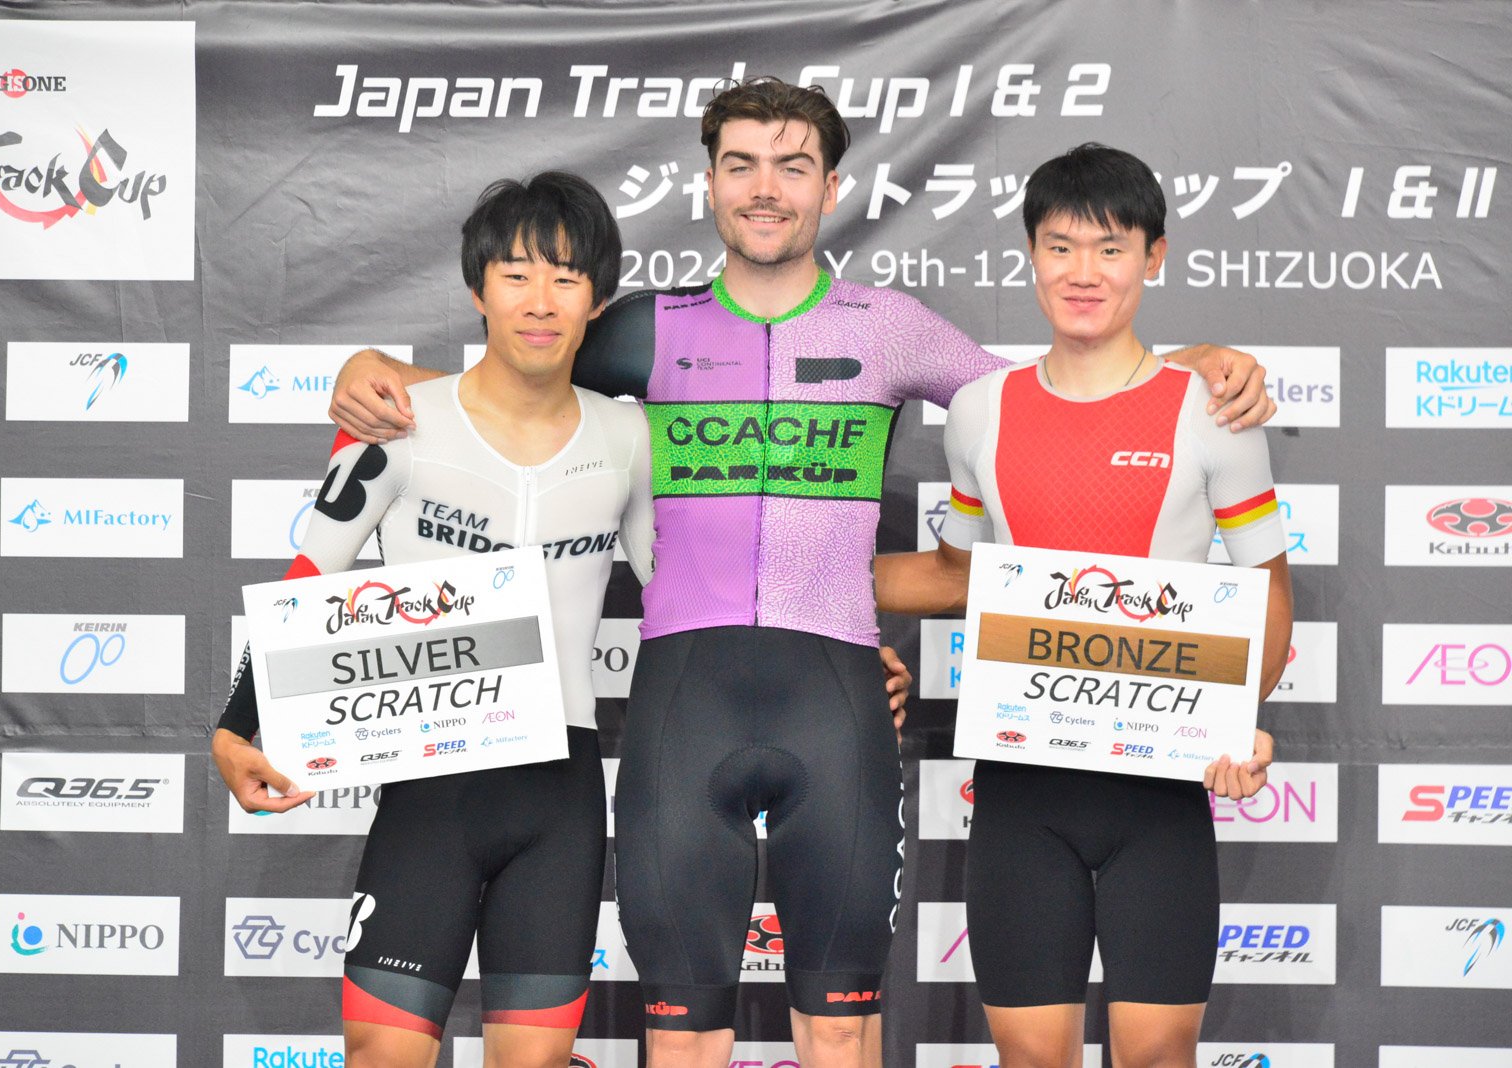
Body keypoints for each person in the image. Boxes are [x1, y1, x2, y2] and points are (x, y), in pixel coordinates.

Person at [325, 80, 1276, 1068]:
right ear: (709, 185)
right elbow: (511, 375)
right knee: (680, 1035)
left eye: (792, 166)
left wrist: (1192, 363)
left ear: (831, 188)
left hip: (837, 702)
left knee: (840, 1028)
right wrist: (369, 371)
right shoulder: (648, 328)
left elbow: (1063, 396)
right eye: (741, 165)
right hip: (683, 704)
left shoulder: (889, 327)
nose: (765, 188)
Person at [210, 171, 655, 1068]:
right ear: (477, 289)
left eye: (566, 277)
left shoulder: (631, 438)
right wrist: (233, 728)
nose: (540, 300)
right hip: (431, 793)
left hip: (559, 795)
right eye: (516, 274)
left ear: (598, 301)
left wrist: (835, 652)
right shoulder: (398, 424)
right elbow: (311, 579)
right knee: (381, 1053)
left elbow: (683, 599)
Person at [875, 143, 1294, 1068]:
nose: (1084, 272)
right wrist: (794, 582)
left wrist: (1237, 722)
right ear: (1031, 255)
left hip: (1162, 796)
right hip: (1023, 793)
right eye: (1060, 247)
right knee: (1032, 1060)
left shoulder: (1211, 410)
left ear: (1155, 257)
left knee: (1157, 1059)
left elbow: (1268, 591)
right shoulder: (981, 410)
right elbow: (956, 572)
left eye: (1111, 249)